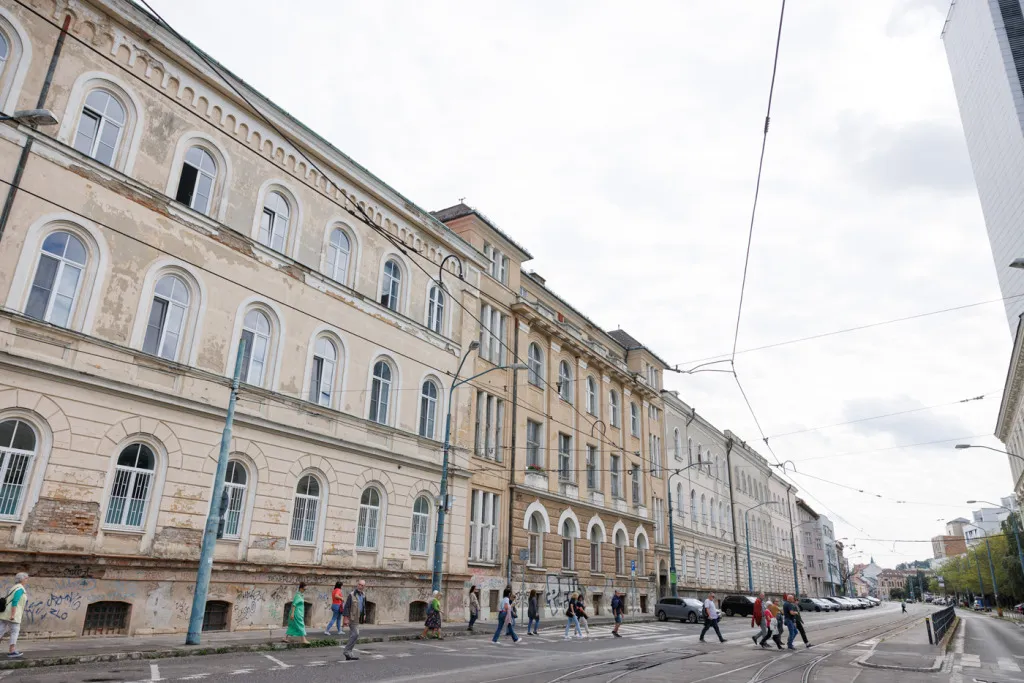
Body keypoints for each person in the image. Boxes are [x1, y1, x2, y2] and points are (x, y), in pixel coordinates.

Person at [0, 573, 27, 659]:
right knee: (15, 631)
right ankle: (12, 651)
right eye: (26, 578)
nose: (27, 580)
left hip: (4, 613)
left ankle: (12, 650)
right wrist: (12, 615)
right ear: (22, 579)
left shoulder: (14, 587)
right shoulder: (20, 589)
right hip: (12, 614)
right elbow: (15, 602)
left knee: (1, 630)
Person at [342, 580, 366, 660]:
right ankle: (347, 651)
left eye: (362, 585)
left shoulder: (363, 595)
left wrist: (364, 614)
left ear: (364, 587)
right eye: (359, 584)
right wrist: (345, 618)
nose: (360, 586)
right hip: (352, 617)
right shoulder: (351, 595)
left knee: (353, 635)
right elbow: (347, 607)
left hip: (358, 618)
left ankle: (349, 653)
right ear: (357, 585)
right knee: (356, 634)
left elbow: (363, 605)